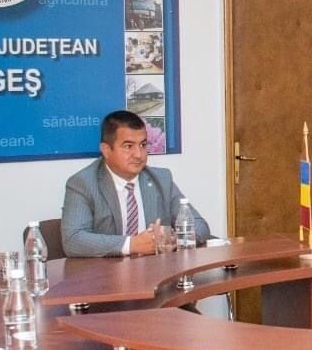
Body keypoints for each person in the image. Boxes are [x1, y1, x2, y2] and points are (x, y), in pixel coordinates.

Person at [61, 110, 210, 257]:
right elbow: (73, 240)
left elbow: (199, 225)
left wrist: (173, 240)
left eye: (143, 145)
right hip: (108, 270)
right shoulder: (83, 183)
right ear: (106, 150)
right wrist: (132, 245)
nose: (139, 155)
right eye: (128, 146)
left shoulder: (161, 179)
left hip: (155, 268)